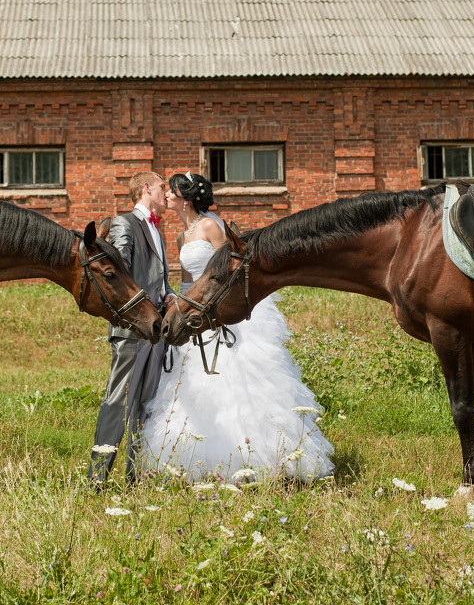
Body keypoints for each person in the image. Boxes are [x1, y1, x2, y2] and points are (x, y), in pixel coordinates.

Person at [141, 172, 334, 483]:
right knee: (196, 388)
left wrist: (220, 309)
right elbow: (190, 282)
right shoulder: (180, 235)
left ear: (186, 199)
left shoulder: (210, 226)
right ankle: (198, 459)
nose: (166, 196)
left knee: (237, 384)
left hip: (221, 309)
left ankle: (260, 458)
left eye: (171, 192)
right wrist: (176, 302)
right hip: (196, 311)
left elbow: (232, 266)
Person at [89, 170, 171, 488]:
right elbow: (119, 269)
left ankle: (135, 476)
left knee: (146, 403)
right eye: (163, 187)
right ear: (146, 188)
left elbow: (157, 279)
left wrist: (170, 299)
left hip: (156, 328)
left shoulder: (158, 231)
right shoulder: (125, 223)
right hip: (132, 328)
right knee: (118, 400)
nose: (166, 193)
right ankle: (96, 478)